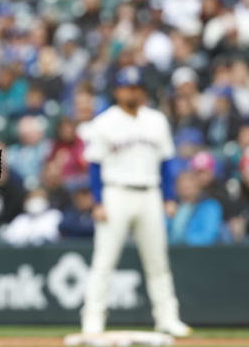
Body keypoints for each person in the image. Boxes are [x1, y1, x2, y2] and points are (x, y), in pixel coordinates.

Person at [81, 67, 191, 337]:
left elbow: (166, 163)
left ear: (142, 90)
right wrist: (97, 201)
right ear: (117, 90)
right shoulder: (104, 122)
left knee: (158, 262)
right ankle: (93, 319)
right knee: (104, 261)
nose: (131, 91)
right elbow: (94, 165)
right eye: (126, 86)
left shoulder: (156, 120)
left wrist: (169, 197)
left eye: (135, 86)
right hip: (115, 192)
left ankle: (167, 317)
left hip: (150, 193)